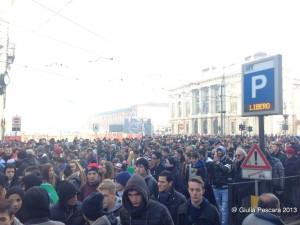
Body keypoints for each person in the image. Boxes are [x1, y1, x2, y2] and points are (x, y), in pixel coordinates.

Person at [207, 146, 232, 225]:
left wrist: (218, 163)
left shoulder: (228, 160)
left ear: (224, 151)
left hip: (225, 188)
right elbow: (208, 169)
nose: (219, 152)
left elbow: (226, 170)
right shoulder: (213, 161)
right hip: (215, 187)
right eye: (218, 151)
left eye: (220, 151)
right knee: (218, 208)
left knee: (224, 209)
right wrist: (212, 160)